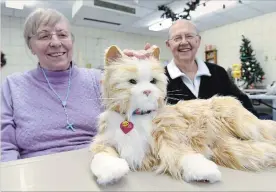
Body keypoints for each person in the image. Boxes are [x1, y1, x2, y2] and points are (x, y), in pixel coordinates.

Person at [0, 8, 137, 162]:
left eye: (62, 35)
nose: (56, 43)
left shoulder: (97, 79)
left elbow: (132, 116)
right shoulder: (13, 86)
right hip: (37, 174)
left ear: (71, 40)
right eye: (44, 36)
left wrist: (135, 72)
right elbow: (5, 146)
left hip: (101, 165)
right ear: (31, 46)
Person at [128, 19, 258, 117]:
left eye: (189, 36)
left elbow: (244, 105)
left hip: (223, 144)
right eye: (177, 38)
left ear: (198, 41)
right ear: (168, 44)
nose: (184, 42)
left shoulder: (218, 73)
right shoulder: (157, 79)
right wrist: (137, 74)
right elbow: (140, 113)